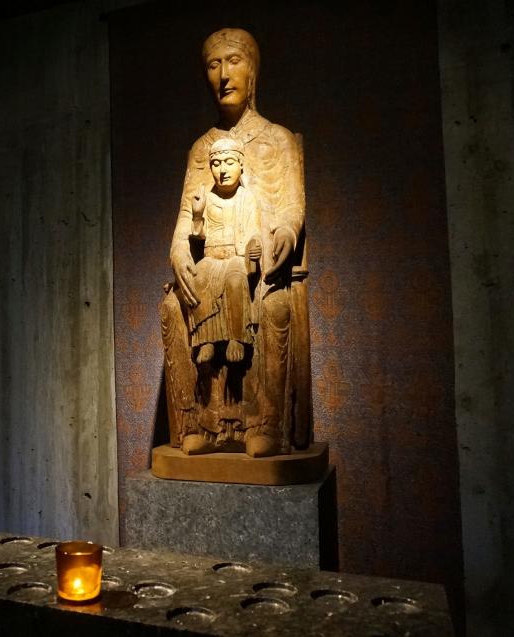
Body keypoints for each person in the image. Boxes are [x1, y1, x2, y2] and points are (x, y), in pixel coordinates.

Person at [160, 28, 310, 458]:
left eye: (234, 61)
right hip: (213, 262)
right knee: (172, 308)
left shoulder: (277, 140)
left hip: (261, 271)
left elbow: (292, 210)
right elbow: (185, 219)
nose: (224, 75)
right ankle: (198, 425)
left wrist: (285, 234)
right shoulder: (202, 149)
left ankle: (264, 424)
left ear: (253, 70)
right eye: (213, 65)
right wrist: (177, 253)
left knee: (273, 307)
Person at [187, 137, 261, 365]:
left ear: (241, 164)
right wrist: (198, 214)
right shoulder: (207, 198)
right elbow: (199, 234)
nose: (222, 170)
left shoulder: (246, 198)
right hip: (211, 256)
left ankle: (237, 337)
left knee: (235, 281)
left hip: (236, 257)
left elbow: (254, 231)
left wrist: (254, 246)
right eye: (216, 164)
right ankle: (207, 340)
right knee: (198, 279)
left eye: (229, 162)